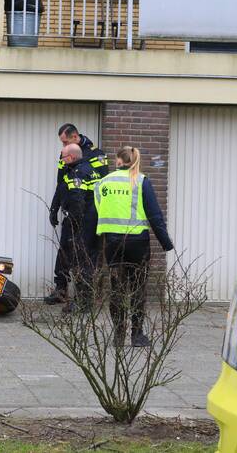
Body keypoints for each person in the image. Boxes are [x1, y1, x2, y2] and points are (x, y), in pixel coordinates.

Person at [94, 146, 174, 348]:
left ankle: (118, 336)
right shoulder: (141, 181)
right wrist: (166, 243)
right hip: (138, 243)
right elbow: (154, 215)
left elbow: (99, 209)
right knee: (137, 288)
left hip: (112, 243)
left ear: (119, 161)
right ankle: (137, 335)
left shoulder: (103, 182)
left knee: (117, 289)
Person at [45, 123, 109, 305]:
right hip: (71, 213)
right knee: (65, 249)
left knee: (87, 254)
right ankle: (61, 290)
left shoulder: (97, 155)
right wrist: (54, 207)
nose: (63, 146)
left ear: (75, 137)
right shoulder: (65, 154)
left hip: (89, 215)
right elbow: (61, 184)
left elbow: (103, 186)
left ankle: (87, 296)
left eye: (65, 142)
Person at [52, 143, 101, 313]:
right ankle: (84, 301)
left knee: (81, 263)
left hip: (82, 224)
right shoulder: (91, 170)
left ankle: (83, 303)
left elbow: (77, 201)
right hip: (93, 223)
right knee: (88, 262)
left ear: (71, 157)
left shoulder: (77, 173)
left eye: (64, 158)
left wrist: (73, 226)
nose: (62, 161)